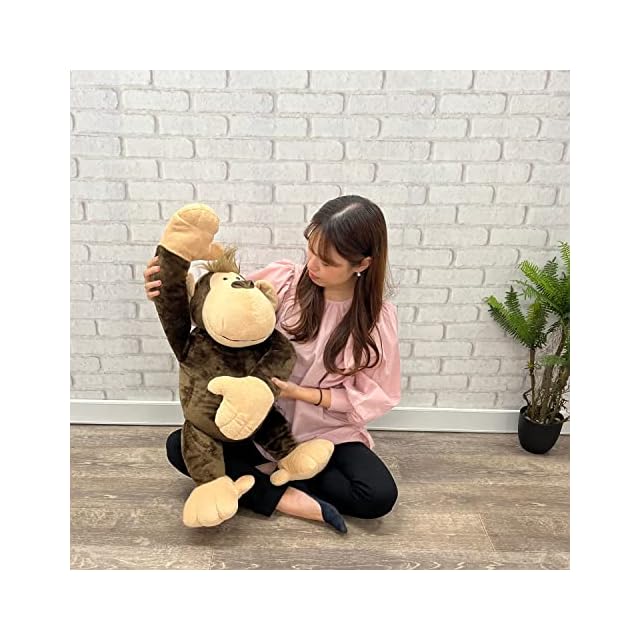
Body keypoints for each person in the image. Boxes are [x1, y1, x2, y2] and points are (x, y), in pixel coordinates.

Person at [144, 195, 401, 533]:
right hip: (258, 422)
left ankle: (267, 479)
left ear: (362, 264)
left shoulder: (376, 321)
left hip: (327, 432)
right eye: (311, 250)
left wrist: (303, 394)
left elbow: (376, 393)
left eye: (327, 261)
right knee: (178, 446)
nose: (313, 265)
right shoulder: (285, 281)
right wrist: (170, 288)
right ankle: (287, 498)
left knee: (378, 496)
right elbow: (222, 309)